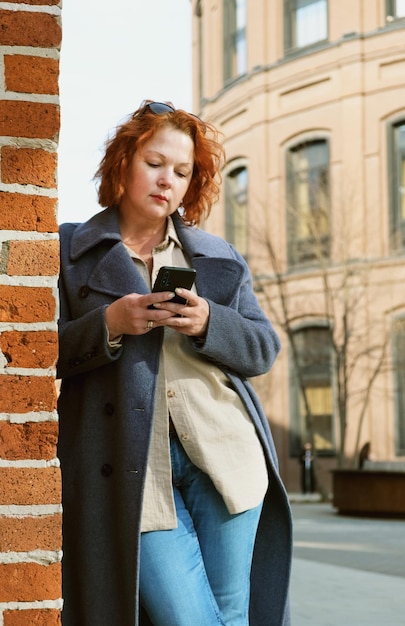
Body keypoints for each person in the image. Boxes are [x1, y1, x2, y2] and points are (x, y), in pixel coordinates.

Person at [57, 100, 292, 626]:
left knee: (232, 613)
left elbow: (263, 348)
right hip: (129, 467)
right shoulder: (69, 249)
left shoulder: (216, 256)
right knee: (189, 618)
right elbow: (35, 355)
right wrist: (110, 324)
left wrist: (211, 321)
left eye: (182, 172)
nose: (167, 180)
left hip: (224, 454)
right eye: (155, 163)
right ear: (123, 163)